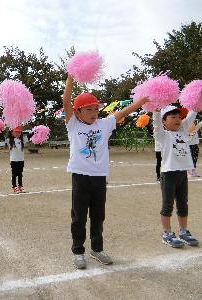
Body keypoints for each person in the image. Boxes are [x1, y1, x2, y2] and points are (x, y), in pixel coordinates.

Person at [63, 74, 149, 269]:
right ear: (78, 113)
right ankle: (78, 251)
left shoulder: (104, 124)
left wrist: (142, 101)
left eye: (96, 108)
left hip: (99, 178)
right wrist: (70, 79)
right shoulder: (73, 125)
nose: (94, 112)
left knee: (98, 215)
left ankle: (97, 249)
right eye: (89, 109)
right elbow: (66, 101)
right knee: (78, 216)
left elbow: (123, 111)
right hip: (80, 176)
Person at [153, 105, 199, 248]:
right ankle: (167, 233)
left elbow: (192, 114)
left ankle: (184, 231)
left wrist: (197, 102)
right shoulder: (162, 135)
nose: (178, 119)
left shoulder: (184, 131)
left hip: (181, 173)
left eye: (179, 117)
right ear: (164, 121)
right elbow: (157, 123)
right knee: (167, 205)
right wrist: (156, 109)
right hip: (168, 174)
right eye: (172, 117)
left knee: (183, 204)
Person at [5, 126, 29, 193]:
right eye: (16, 132)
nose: (17, 133)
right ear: (12, 133)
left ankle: (20, 186)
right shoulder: (9, 140)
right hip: (13, 160)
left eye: (19, 132)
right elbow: (1, 137)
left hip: (21, 160)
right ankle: (14, 187)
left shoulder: (23, 140)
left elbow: (30, 135)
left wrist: (36, 131)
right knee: (14, 174)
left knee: (20, 174)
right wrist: (0, 131)